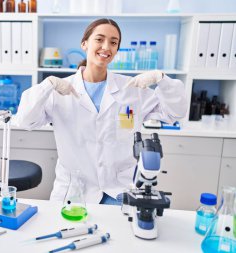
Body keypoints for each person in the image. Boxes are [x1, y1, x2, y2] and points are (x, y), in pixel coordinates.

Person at [15, 18, 187, 205]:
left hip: (118, 190)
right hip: (74, 191)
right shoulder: (60, 90)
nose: (106, 47)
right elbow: (24, 121)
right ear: (84, 43)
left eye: (113, 42)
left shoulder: (132, 89)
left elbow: (174, 113)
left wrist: (161, 79)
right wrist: (47, 85)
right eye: (99, 39)